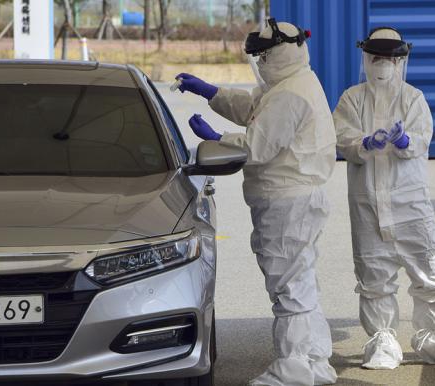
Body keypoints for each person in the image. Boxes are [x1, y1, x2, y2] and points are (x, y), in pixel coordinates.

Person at [175, 18, 337, 386]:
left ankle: (293, 369)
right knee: (301, 281)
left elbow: (257, 145)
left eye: (263, 55)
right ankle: (314, 361)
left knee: (288, 286)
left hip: (287, 202)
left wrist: (217, 138)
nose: (259, 62)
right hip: (296, 199)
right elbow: (252, 106)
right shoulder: (291, 83)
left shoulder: (290, 94)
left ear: (279, 53)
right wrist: (211, 92)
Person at [332, 27, 435, 370]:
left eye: (389, 59)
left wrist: (404, 141)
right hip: (367, 204)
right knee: (374, 277)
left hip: (410, 204)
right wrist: (363, 144)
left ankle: (434, 338)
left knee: (430, 271)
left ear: (401, 61)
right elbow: (341, 136)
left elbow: (423, 139)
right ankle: (382, 341)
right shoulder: (352, 98)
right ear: (366, 58)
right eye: (376, 58)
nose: (382, 65)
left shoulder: (413, 98)